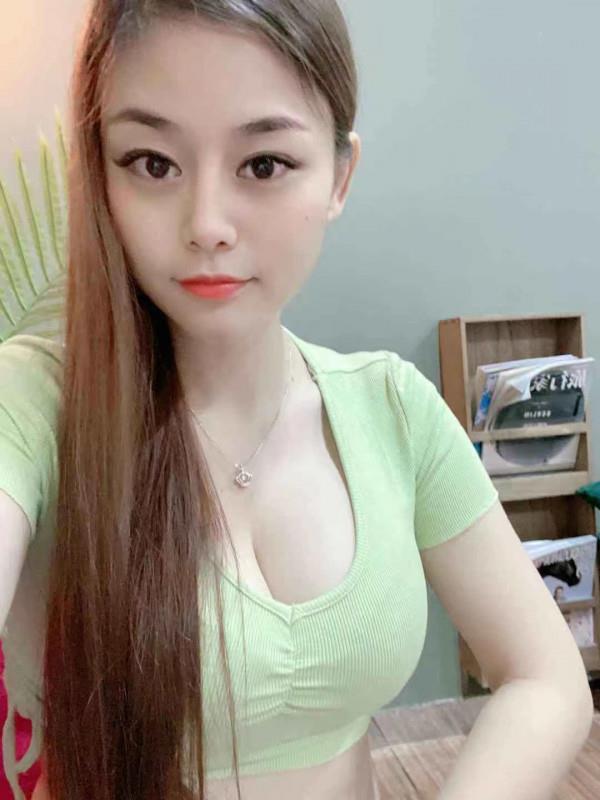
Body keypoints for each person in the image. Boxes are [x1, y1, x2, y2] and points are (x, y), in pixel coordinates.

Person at [2, 3, 593, 800]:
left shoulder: (391, 408)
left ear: (340, 176)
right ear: (99, 171)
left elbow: (547, 677)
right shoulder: (33, 403)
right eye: (152, 163)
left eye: (263, 164)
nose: (207, 226)